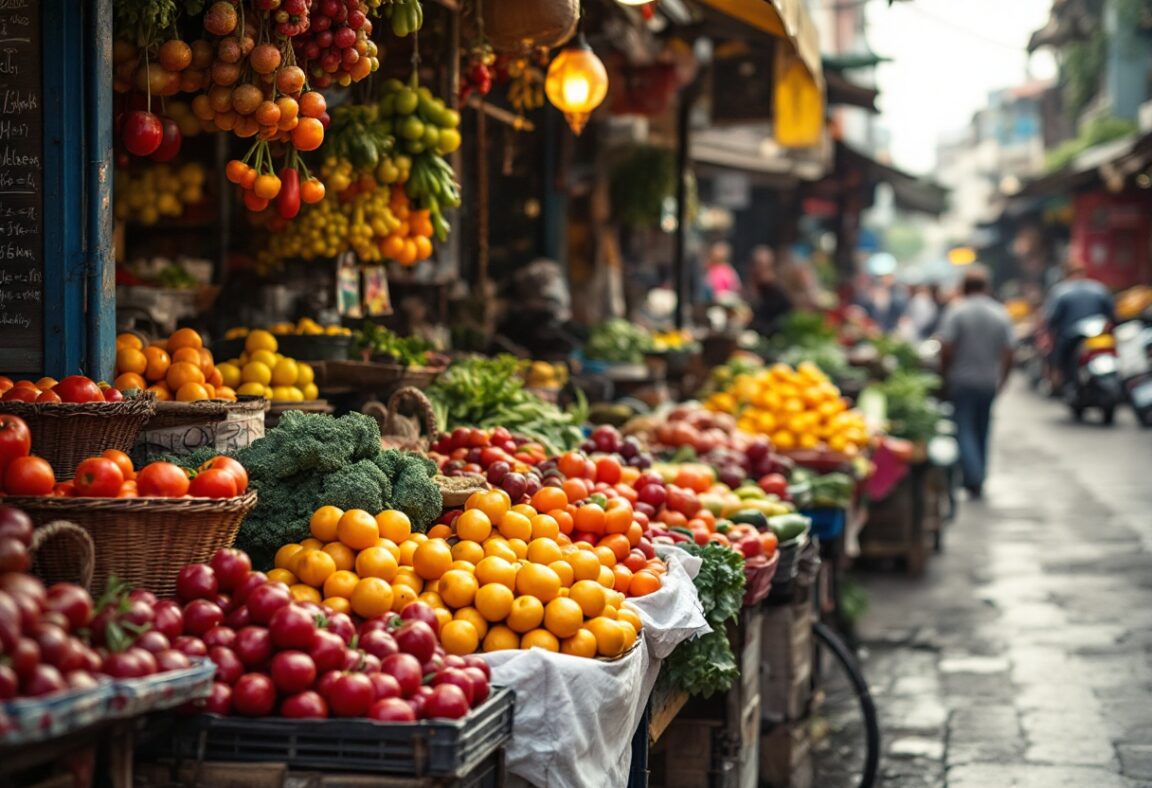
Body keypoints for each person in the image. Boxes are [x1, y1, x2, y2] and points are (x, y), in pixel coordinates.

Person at [937, 265, 1014, 499]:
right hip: (988, 381)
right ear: (986, 287)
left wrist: (945, 372)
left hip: (962, 380)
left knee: (964, 429)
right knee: (982, 429)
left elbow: (946, 346)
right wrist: (1004, 379)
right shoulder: (1000, 312)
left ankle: (973, 476)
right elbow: (1010, 351)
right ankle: (978, 476)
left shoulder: (957, 311)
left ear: (963, 288)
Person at [1043, 259, 1116, 392]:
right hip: (1099, 334)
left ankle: (1062, 380)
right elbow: (1112, 313)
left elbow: (1051, 319)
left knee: (1059, 357)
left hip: (1071, 337)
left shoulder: (1060, 291)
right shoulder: (1099, 288)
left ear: (1066, 274)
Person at [745, 245, 792, 335]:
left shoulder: (777, 293)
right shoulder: (752, 289)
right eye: (753, 264)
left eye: (759, 265)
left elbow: (781, 321)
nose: (754, 269)